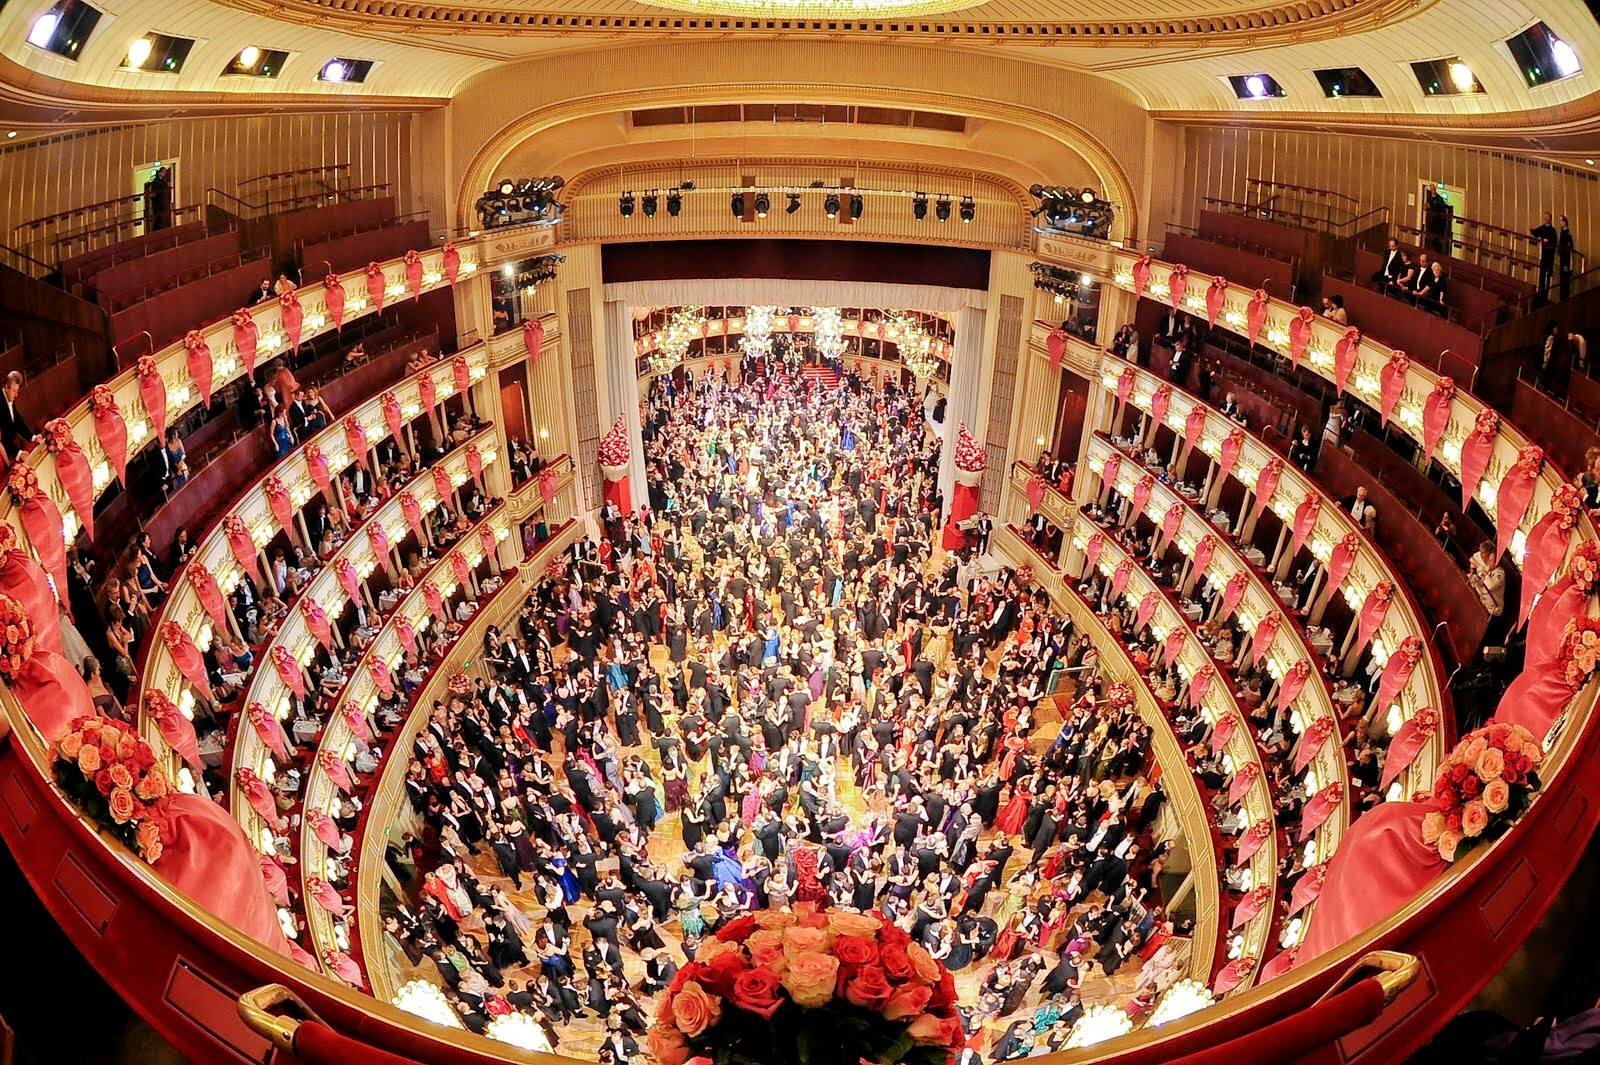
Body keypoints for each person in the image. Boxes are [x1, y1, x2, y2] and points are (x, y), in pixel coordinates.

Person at [1468, 539, 1505, 620]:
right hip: (1481, 600)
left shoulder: (1500, 573)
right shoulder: (1484, 565)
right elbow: (1472, 561)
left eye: (1492, 560)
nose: (1489, 562)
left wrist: (1482, 571)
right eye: (1489, 560)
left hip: (1492, 610)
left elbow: (1490, 586)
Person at [0, 370, 32, 458]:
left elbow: (17, 421)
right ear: (6, 387)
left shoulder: (8, 396)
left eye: (17, 391)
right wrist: (18, 453)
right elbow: (3, 437)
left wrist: (32, 437)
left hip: (10, 446)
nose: (16, 394)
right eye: (14, 391)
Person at [1532, 212, 1559, 298]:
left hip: (1550, 255)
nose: (1545, 219)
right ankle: (1540, 290)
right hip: (1543, 255)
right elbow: (1536, 232)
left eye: (1547, 217)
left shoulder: (1553, 230)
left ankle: (1546, 293)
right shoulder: (1542, 228)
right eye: (1544, 217)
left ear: (1550, 219)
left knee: (1548, 274)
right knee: (1542, 273)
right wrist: (1530, 230)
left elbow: (1554, 241)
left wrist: (1548, 241)